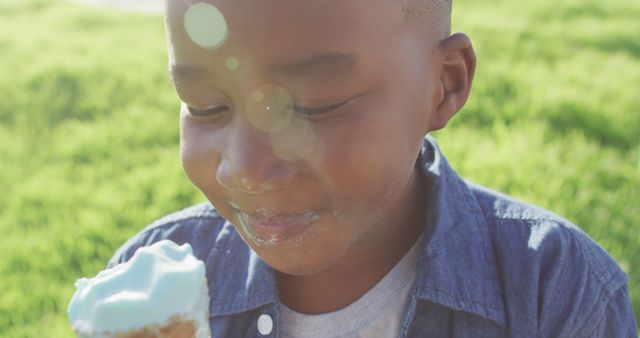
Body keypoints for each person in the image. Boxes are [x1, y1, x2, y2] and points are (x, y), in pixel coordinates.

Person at [108, 0, 637, 336]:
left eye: (311, 106)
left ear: (443, 85)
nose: (246, 169)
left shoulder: (557, 294)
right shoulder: (146, 285)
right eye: (204, 106)